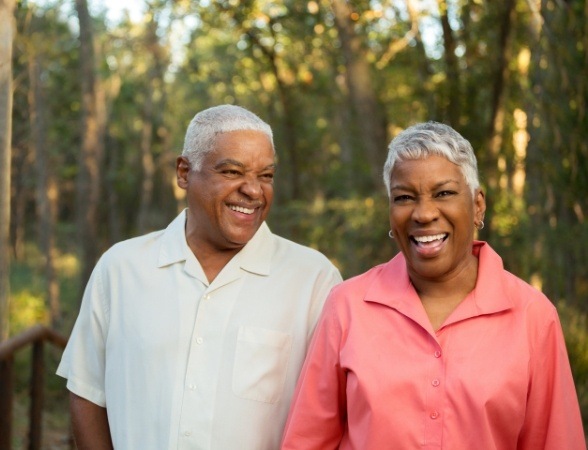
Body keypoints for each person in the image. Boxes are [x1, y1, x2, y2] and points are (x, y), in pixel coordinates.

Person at [281, 121, 586, 449]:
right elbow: (306, 441)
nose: (424, 214)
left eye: (443, 193)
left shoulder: (532, 317)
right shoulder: (347, 306)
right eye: (404, 197)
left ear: (478, 204)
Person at [57, 104, 342, 450]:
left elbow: (333, 415)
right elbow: (87, 391)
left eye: (265, 175)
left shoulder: (313, 280)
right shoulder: (120, 268)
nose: (253, 191)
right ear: (183, 172)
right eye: (233, 171)